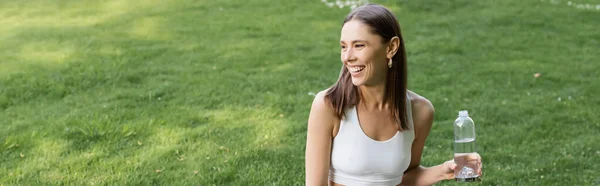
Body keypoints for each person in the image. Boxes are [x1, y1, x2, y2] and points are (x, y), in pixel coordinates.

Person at [305, 4, 482, 186]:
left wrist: (443, 171)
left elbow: (406, 178)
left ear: (391, 47)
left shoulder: (419, 111)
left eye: (358, 45)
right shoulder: (329, 105)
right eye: (344, 46)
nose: (347, 57)